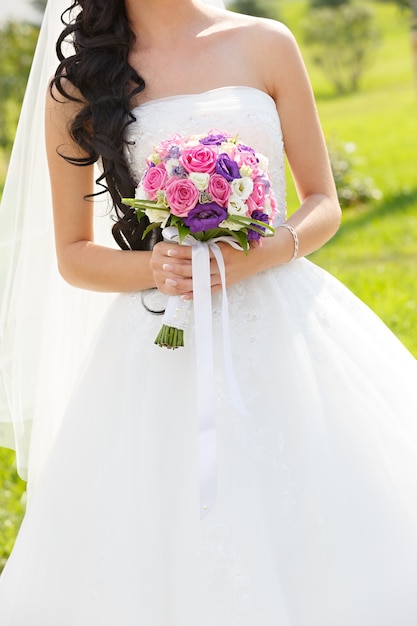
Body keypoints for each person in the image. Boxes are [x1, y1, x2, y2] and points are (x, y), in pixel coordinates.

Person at [0, 0, 416, 624]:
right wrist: (158, 267)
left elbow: (322, 200)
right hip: (163, 340)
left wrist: (263, 253)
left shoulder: (265, 42)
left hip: (286, 322)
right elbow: (74, 256)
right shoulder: (81, 84)